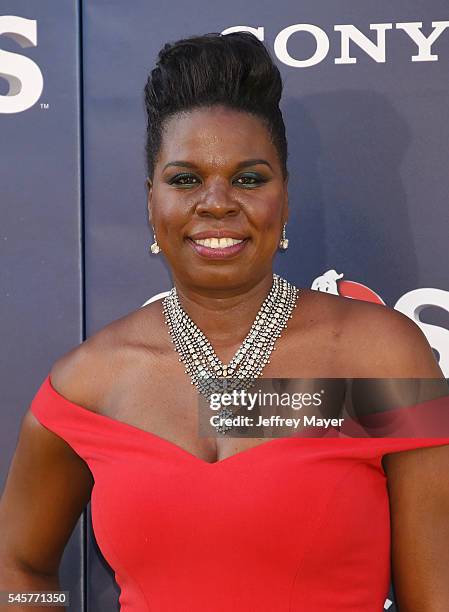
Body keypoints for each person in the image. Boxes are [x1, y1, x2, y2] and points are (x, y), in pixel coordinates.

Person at [1, 31, 449, 612]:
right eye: (185, 178)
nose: (216, 202)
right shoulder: (88, 383)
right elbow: (18, 567)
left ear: (284, 200)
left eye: (249, 178)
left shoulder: (382, 355)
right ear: (150, 201)